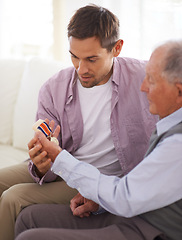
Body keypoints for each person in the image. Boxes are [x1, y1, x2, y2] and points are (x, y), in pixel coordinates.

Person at [0, 5, 157, 240]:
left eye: (92, 59)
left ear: (117, 48)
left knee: (14, 198)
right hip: (61, 166)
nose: (81, 69)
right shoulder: (54, 88)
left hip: (96, 177)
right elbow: (47, 155)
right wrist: (41, 164)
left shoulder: (145, 79)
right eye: (74, 56)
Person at [15, 40, 182, 240]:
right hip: (133, 213)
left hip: (153, 230)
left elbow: (124, 196)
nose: (143, 87)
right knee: (28, 218)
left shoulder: (177, 143)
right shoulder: (168, 125)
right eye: (75, 56)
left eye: (152, 81)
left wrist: (60, 158)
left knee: (29, 235)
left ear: (179, 91)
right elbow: (142, 189)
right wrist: (100, 203)